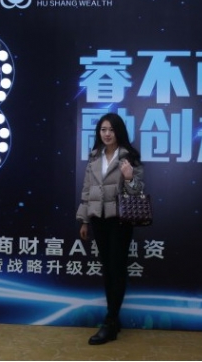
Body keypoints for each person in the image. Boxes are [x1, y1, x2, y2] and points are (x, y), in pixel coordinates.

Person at [76, 113, 145, 345]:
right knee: (108, 268)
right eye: (103, 129)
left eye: (111, 130)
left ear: (119, 132)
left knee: (117, 268)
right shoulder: (94, 156)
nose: (107, 134)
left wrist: (129, 178)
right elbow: (87, 190)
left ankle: (110, 321)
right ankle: (113, 319)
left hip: (120, 220)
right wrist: (85, 220)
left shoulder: (129, 157)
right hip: (98, 219)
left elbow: (138, 191)